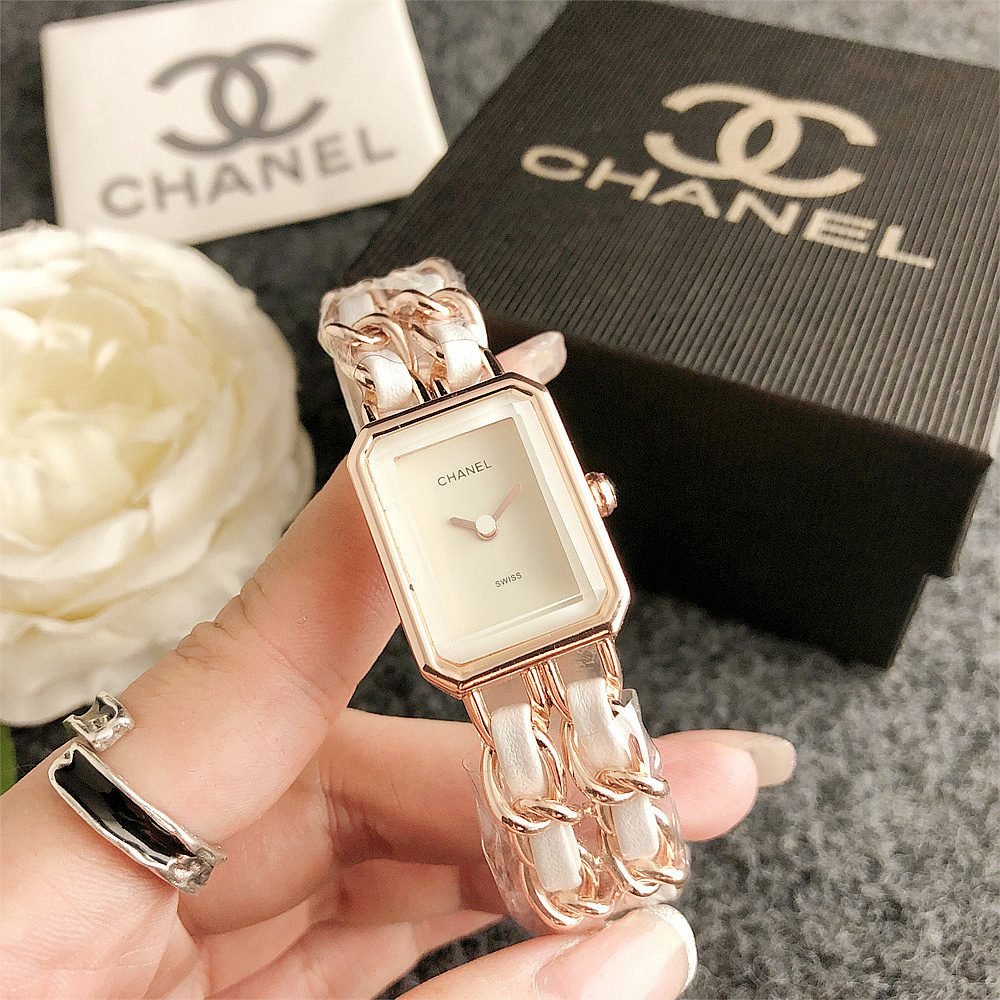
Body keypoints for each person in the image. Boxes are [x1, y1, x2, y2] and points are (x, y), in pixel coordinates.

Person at [1, 334, 794, 998]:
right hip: (481, 655)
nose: (485, 525)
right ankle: (597, 881)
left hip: (567, 623)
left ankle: (621, 874)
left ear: (590, 498)